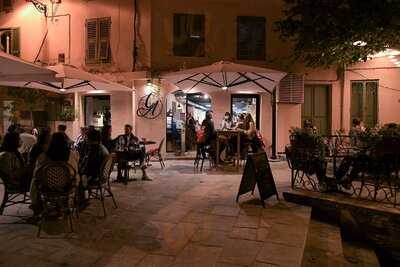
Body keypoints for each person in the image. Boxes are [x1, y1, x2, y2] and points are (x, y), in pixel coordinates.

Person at [30, 132, 80, 214]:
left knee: (35, 180)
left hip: (48, 187)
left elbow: (36, 174)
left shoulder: (43, 156)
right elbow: (75, 168)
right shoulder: (72, 154)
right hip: (67, 186)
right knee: (77, 176)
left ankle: (37, 204)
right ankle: (75, 203)